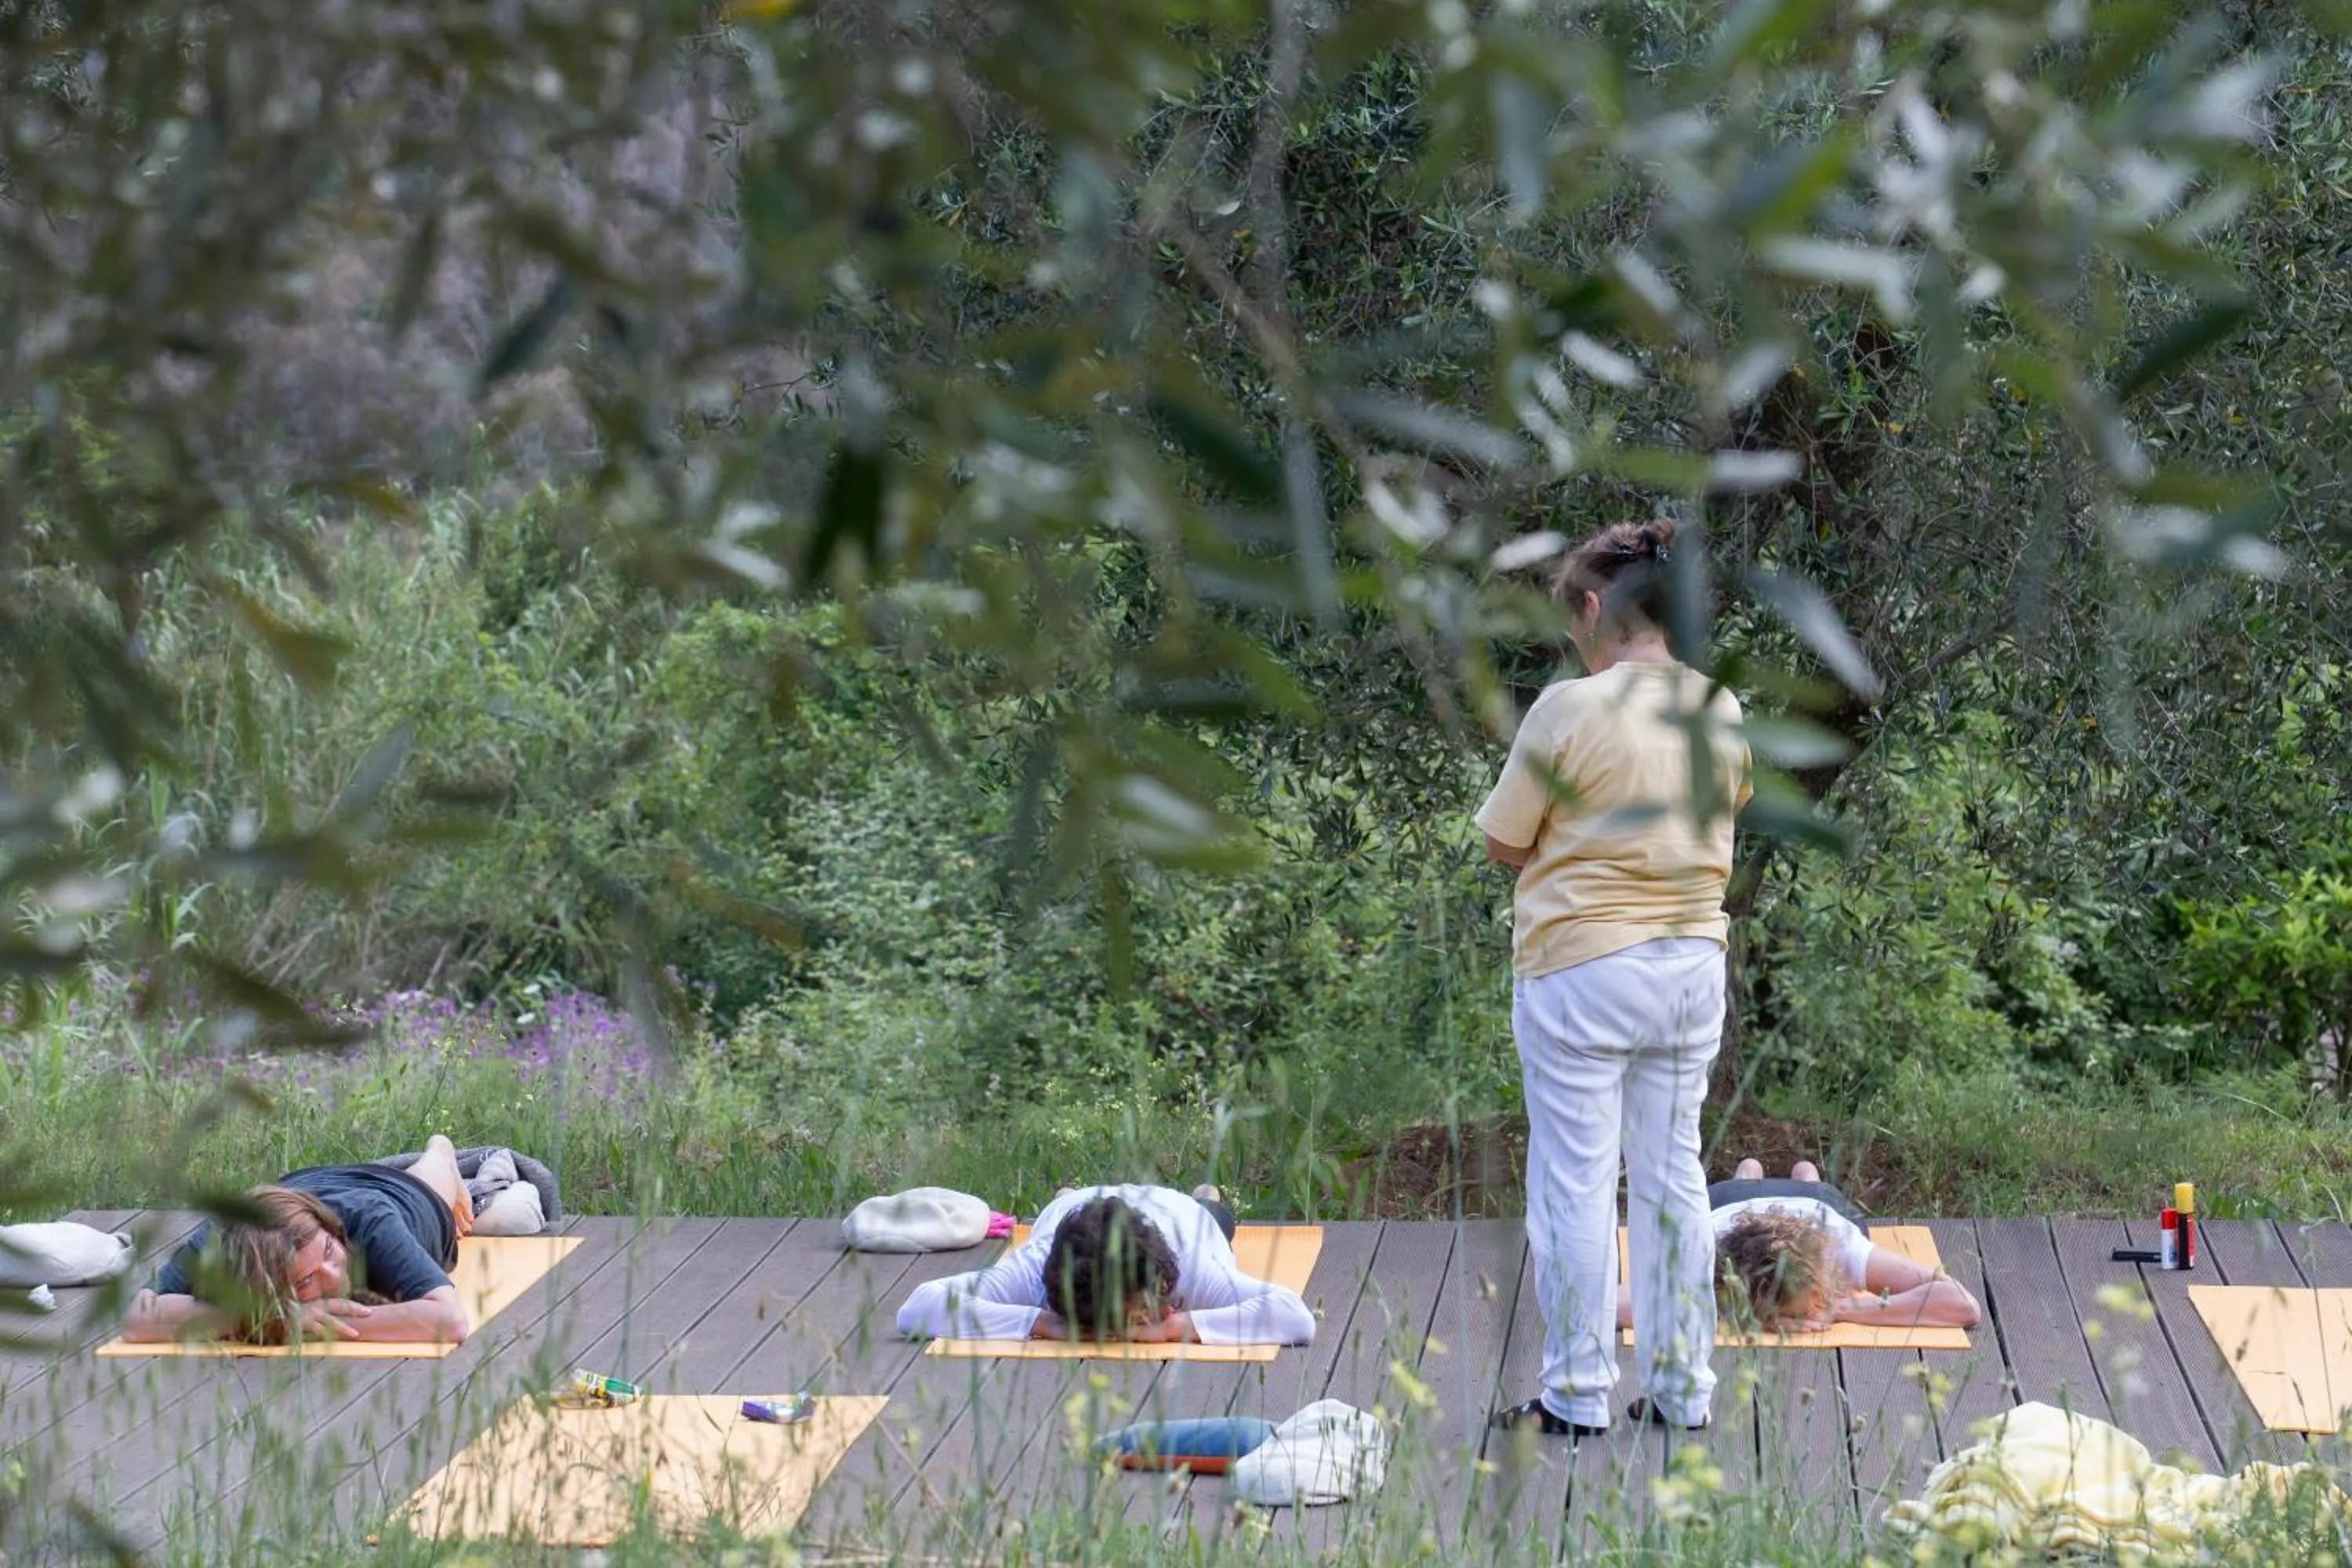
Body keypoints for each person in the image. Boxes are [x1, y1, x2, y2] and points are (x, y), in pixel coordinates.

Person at [1480, 517, 1751, 1439]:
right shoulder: (1717, 707)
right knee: (1672, 1172)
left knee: (1576, 1181)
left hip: (1583, 967)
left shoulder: (1569, 707)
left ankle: (1576, 1391)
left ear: (1593, 608)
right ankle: (1683, 1388)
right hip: (1691, 965)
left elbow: (1502, 840)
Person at [122, 1135, 477, 1345]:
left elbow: (450, 1321)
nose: (334, 1277)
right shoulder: (223, 1236)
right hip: (299, 1185)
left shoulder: (373, 1221)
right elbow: (138, 1320)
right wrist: (267, 1319)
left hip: (401, 1193)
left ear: (331, 1231)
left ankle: (441, 1149)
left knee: (433, 1171)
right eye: (306, 1281)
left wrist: (311, 1323)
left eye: (329, 1252)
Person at [894, 1184, 1313, 1346]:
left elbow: (1294, 1316)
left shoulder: (1192, 1264)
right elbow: (918, 1307)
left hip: (1181, 1210)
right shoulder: (1037, 1265)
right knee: (1064, 1203)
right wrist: (1040, 1322)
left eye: (1134, 1318)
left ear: (1164, 1285)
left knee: (1218, 1216)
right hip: (1075, 1208)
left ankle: (1209, 1195)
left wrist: (1175, 1328)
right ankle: (1066, 1193)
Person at [1618, 1158, 1980, 1333]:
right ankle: (1751, 1175)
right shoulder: (1707, 1257)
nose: (1809, 1316)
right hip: (1727, 1206)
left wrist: (1840, 1310)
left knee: (1807, 1179)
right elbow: (1609, 1303)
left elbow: (1963, 1305)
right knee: (1745, 1179)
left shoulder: (1840, 1248)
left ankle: (1792, 1176)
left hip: (1816, 1205)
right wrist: (1750, 1319)